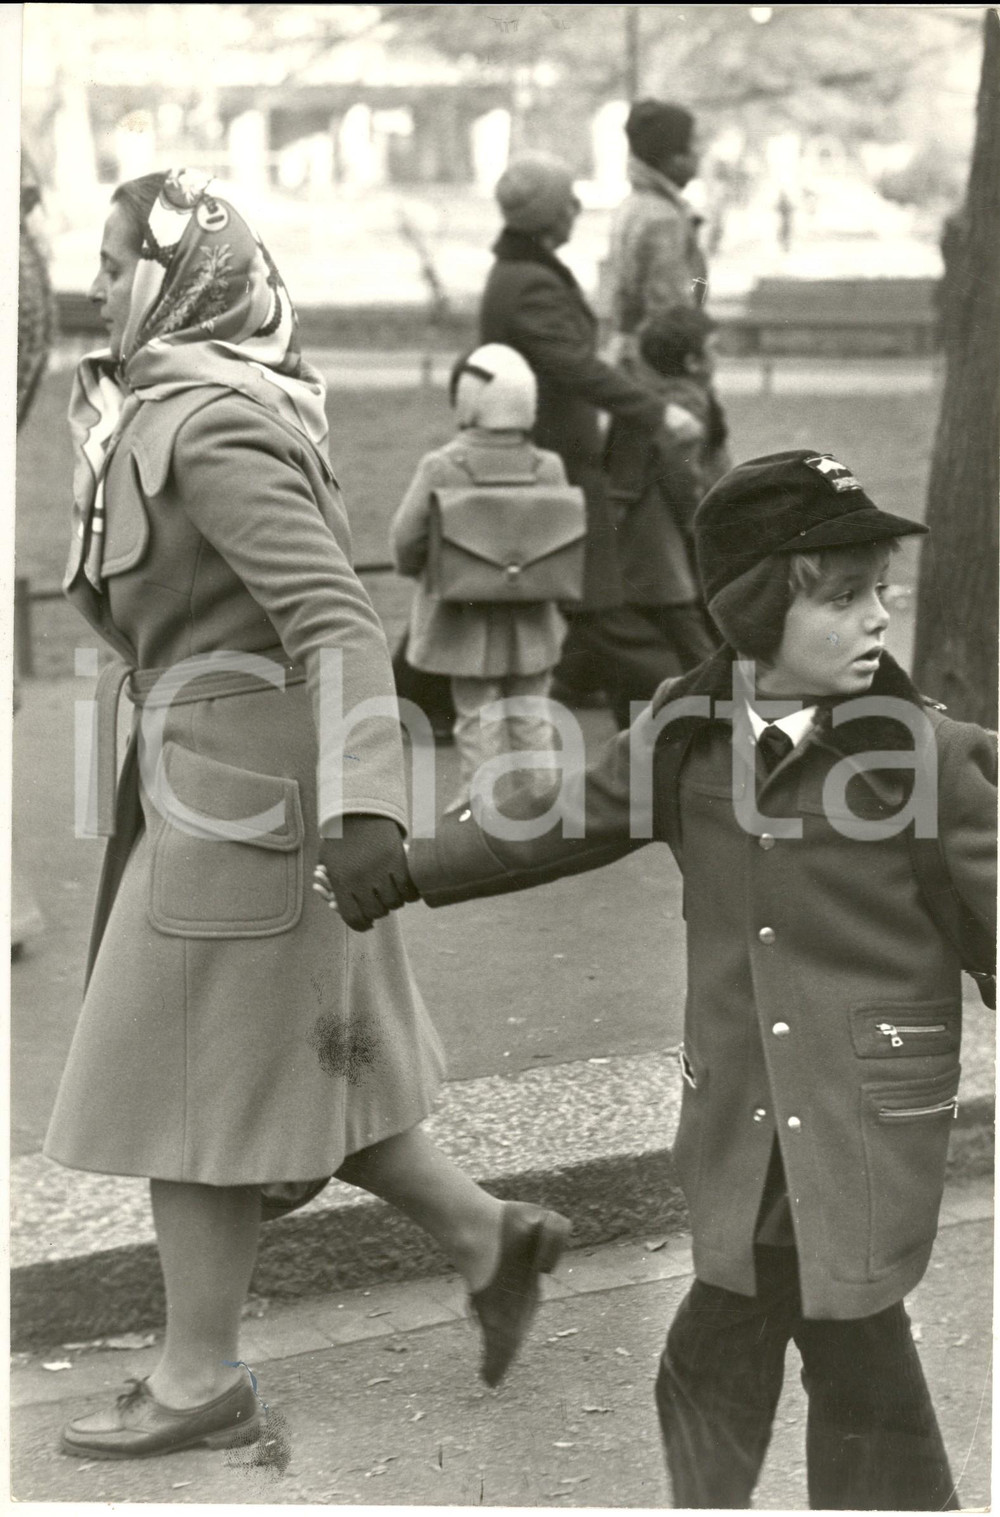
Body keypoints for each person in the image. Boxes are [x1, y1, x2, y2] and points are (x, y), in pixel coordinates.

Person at [46, 168, 570, 1461]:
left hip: (250, 819)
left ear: (182, 278)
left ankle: (200, 1376)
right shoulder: (171, 407)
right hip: (211, 793)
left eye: (121, 264)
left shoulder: (209, 424)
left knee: (191, 1084)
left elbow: (337, 614)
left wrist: (363, 810)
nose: (100, 285)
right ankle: (487, 1240)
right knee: (302, 1066)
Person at [405, 449, 997, 1510]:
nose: (877, 619)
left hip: (863, 1122)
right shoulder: (687, 738)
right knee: (780, 1346)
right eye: (844, 595)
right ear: (759, 608)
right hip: (741, 1117)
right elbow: (551, 820)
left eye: (881, 592)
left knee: (808, 1357)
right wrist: (403, 864)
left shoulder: (935, 762)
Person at [478, 151, 666, 718]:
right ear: (546, 217)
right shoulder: (532, 280)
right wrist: (655, 406)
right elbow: (572, 366)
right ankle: (673, 711)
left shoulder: (522, 272)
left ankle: (585, 683)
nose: (578, 209)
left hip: (552, 451)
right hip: (559, 457)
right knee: (602, 600)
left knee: (496, 593)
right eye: (567, 203)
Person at [390, 344, 569, 813]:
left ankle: (481, 807)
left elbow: (405, 540)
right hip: (531, 616)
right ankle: (544, 806)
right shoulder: (547, 466)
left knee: (477, 714)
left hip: (461, 616)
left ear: (469, 400)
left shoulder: (442, 466)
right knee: (532, 711)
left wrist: (420, 571)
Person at [602, 305, 729, 726]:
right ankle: (723, 713)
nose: (719, 357)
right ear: (693, 363)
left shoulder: (658, 398)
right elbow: (685, 476)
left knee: (654, 629)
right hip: (662, 540)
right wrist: (702, 523)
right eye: (714, 350)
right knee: (688, 630)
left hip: (646, 537)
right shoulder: (685, 403)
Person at [607, 99, 708, 371]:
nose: (700, 153)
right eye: (693, 145)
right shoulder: (662, 219)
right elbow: (671, 309)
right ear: (672, 158)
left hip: (634, 358)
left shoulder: (636, 204)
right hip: (660, 370)